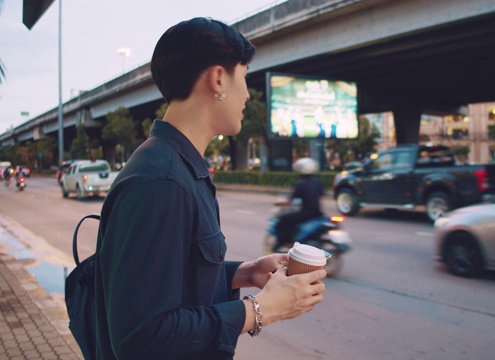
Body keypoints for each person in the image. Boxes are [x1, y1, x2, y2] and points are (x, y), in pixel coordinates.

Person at [95, 17, 326, 360]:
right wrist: (260, 309)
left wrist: (244, 273)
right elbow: (140, 337)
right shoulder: (163, 182)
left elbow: (177, 280)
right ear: (219, 78)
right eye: (244, 77)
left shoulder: (177, 166)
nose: (247, 94)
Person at [273, 157, 325, 251]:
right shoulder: (318, 182)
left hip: (306, 213)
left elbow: (290, 201)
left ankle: (288, 243)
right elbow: (320, 198)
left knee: (283, 220)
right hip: (318, 213)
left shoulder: (301, 184)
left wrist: (278, 203)